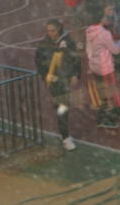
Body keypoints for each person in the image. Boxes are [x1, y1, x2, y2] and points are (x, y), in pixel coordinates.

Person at [35, 19, 81, 151]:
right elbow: (39, 61)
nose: (50, 33)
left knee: (63, 107)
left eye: (53, 30)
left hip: (65, 79)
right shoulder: (44, 44)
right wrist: (45, 77)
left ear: (59, 29)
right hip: (55, 82)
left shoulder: (68, 41)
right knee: (62, 108)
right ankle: (65, 137)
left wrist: (75, 74)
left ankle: (64, 134)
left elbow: (75, 58)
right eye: (48, 31)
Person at [84, 9, 120, 129]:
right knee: (109, 92)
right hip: (105, 67)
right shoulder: (104, 33)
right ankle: (108, 118)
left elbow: (89, 49)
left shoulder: (89, 31)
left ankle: (102, 116)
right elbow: (114, 50)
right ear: (101, 18)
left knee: (102, 91)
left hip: (95, 65)